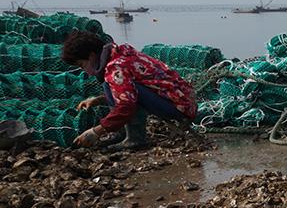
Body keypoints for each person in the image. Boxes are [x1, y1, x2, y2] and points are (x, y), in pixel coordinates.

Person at [61, 31, 197, 149]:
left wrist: (96, 131)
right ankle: (121, 134)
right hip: (181, 101)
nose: (84, 70)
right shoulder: (120, 53)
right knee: (111, 84)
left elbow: (127, 105)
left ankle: (135, 139)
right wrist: (98, 100)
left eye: (81, 65)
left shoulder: (116, 67)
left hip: (179, 107)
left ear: (91, 56)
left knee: (117, 87)